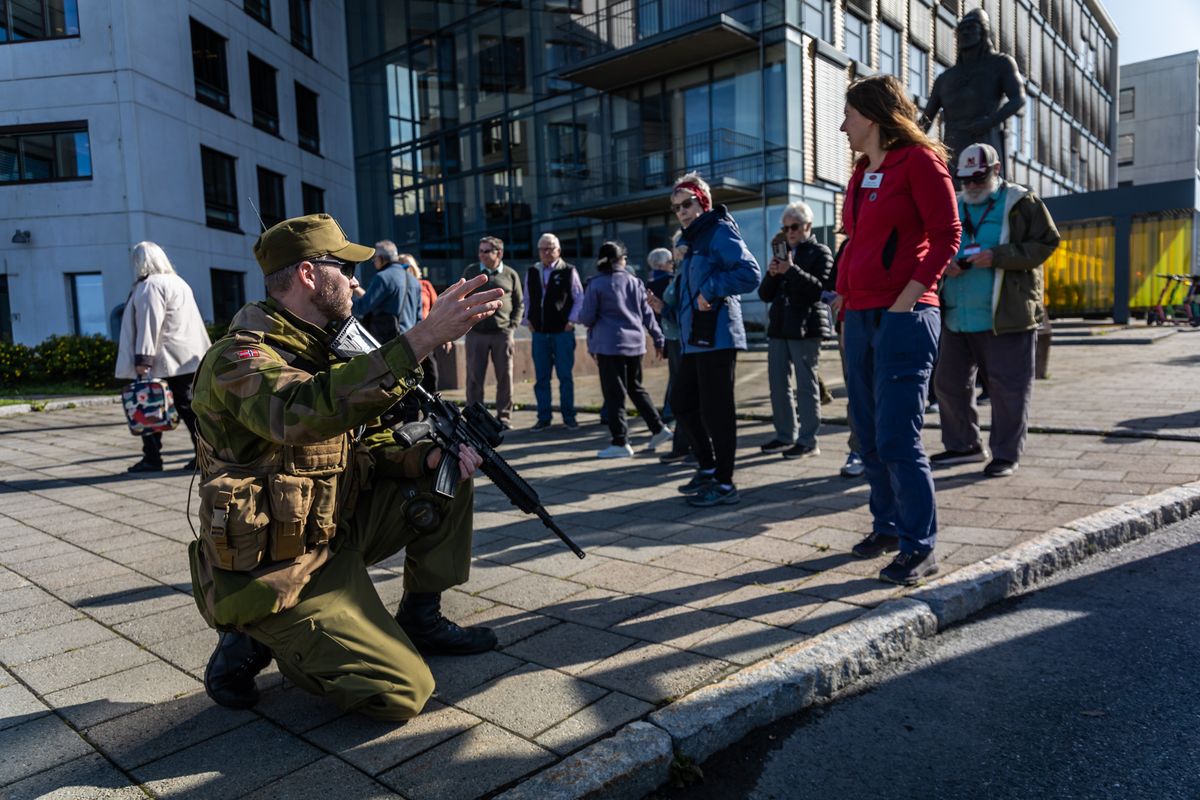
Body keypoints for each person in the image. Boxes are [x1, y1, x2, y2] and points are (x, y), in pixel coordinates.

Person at [188, 213, 504, 720]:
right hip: (276, 566)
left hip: (331, 528)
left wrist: (423, 456)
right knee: (402, 692)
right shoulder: (238, 359)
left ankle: (422, 618)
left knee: (443, 476)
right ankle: (253, 635)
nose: (356, 282)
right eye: (345, 269)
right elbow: (302, 412)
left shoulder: (326, 345)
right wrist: (419, 339)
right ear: (310, 274)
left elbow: (363, 439)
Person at [831, 75, 961, 585]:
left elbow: (947, 233)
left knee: (896, 435)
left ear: (873, 116)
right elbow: (855, 240)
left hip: (905, 315)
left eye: (848, 116)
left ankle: (920, 547)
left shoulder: (920, 161)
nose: (842, 126)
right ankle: (886, 526)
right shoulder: (861, 173)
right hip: (858, 316)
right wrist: (842, 295)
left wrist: (908, 298)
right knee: (866, 434)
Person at [931, 143, 1060, 477]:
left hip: (1006, 315)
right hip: (957, 315)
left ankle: (1005, 454)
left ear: (996, 170)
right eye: (966, 179)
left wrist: (998, 256)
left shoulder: (1021, 202)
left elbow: (1047, 243)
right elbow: (933, 246)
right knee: (947, 383)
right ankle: (964, 446)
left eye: (979, 177)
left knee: (1008, 388)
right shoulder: (954, 204)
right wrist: (945, 264)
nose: (972, 185)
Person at [667, 172, 762, 506]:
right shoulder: (691, 241)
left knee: (717, 411)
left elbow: (750, 273)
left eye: (688, 203)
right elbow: (689, 292)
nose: (682, 211)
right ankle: (707, 467)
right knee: (682, 403)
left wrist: (711, 289)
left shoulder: (718, 231)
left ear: (702, 202)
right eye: (677, 207)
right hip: (697, 337)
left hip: (718, 335)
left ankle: (724, 482)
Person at [115, 242, 211, 472]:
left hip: (164, 359)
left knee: (147, 405)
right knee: (188, 407)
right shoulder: (179, 282)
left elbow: (150, 324)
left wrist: (143, 360)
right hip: (187, 357)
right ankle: (204, 454)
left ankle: (152, 458)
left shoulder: (150, 286)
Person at [578, 241, 673, 458]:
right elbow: (648, 315)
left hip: (609, 345)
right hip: (635, 344)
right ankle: (658, 429)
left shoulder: (597, 284)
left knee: (614, 394)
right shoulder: (635, 282)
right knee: (635, 387)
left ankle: (620, 442)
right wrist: (658, 339)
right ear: (620, 259)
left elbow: (587, 317)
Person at [758, 203, 833, 460]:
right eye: (785, 228)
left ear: (807, 226)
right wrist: (773, 274)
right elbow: (764, 294)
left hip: (806, 327)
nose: (789, 232)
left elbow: (820, 290)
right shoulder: (783, 255)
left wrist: (791, 270)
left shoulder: (820, 252)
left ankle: (808, 440)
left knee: (805, 386)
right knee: (778, 385)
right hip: (780, 327)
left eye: (794, 227)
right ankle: (784, 435)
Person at [462, 236, 523, 428]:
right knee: (474, 377)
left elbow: (519, 303)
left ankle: (504, 417)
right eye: (480, 250)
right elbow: (461, 298)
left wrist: (512, 326)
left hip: (502, 333)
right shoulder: (472, 271)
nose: (481, 254)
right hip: (476, 333)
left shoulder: (511, 274)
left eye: (486, 251)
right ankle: (474, 419)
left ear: (499, 253)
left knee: (505, 376)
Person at [523, 233, 582, 430]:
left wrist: (571, 322)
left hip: (562, 332)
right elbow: (527, 298)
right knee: (541, 378)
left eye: (550, 248)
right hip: (539, 333)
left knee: (565, 376)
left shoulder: (569, 270)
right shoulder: (532, 271)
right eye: (543, 248)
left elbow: (578, 297)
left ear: (558, 250)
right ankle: (544, 417)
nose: (546, 252)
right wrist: (528, 321)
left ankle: (569, 416)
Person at [646, 242, 693, 463]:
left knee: (683, 391)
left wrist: (661, 308)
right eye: (675, 253)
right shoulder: (675, 276)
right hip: (675, 337)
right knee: (680, 390)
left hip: (684, 339)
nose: (675, 258)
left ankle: (689, 446)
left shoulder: (686, 273)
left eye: (679, 252)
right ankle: (683, 445)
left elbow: (683, 310)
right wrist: (660, 307)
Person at [352, 240, 423, 344]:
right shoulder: (414, 280)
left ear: (381, 258)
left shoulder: (382, 277)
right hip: (410, 342)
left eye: (375, 258)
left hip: (388, 343)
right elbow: (419, 318)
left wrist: (343, 303)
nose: (374, 261)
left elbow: (362, 307)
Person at [402, 255, 445, 395]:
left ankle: (433, 403)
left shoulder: (425, 285)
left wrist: (445, 336)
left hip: (427, 335)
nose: (405, 269)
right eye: (401, 266)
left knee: (430, 372)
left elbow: (437, 309)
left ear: (414, 267)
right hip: (407, 335)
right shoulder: (399, 286)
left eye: (408, 265)